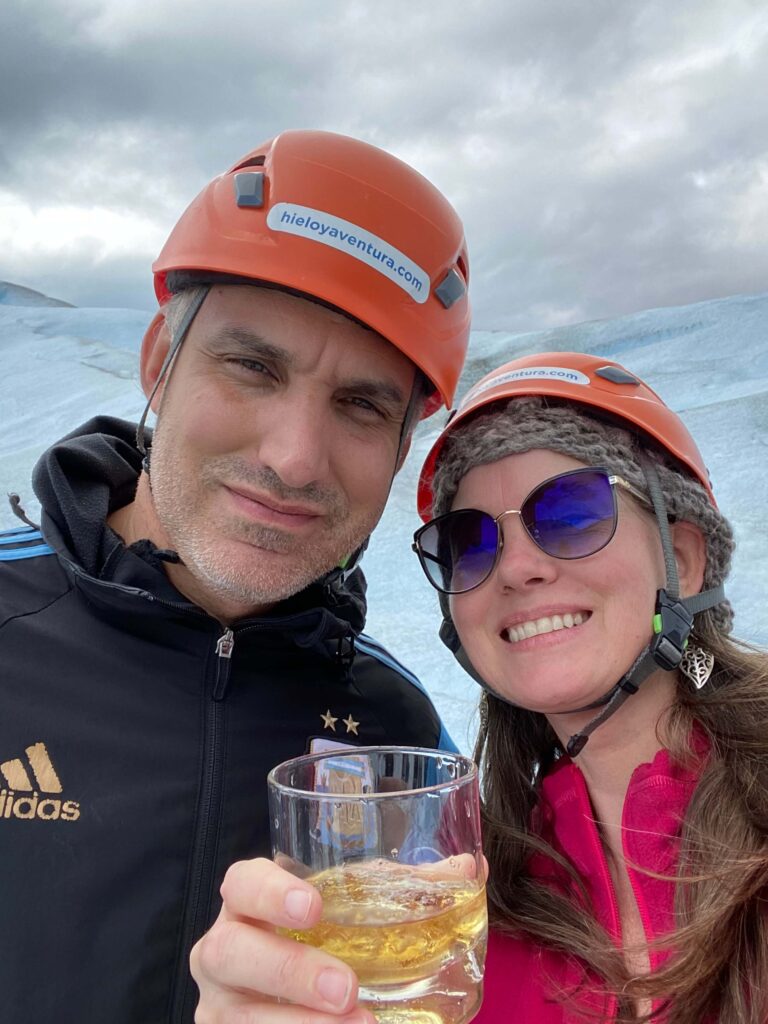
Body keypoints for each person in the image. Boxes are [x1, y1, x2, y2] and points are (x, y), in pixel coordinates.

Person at [0, 129, 471, 1024]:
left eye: (361, 405)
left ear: (400, 452)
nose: (295, 459)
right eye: (253, 365)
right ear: (157, 363)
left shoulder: (399, 735)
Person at [191, 351, 768, 1024]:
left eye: (572, 512)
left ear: (687, 562)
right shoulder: (464, 918)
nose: (517, 567)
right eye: (469, 541)